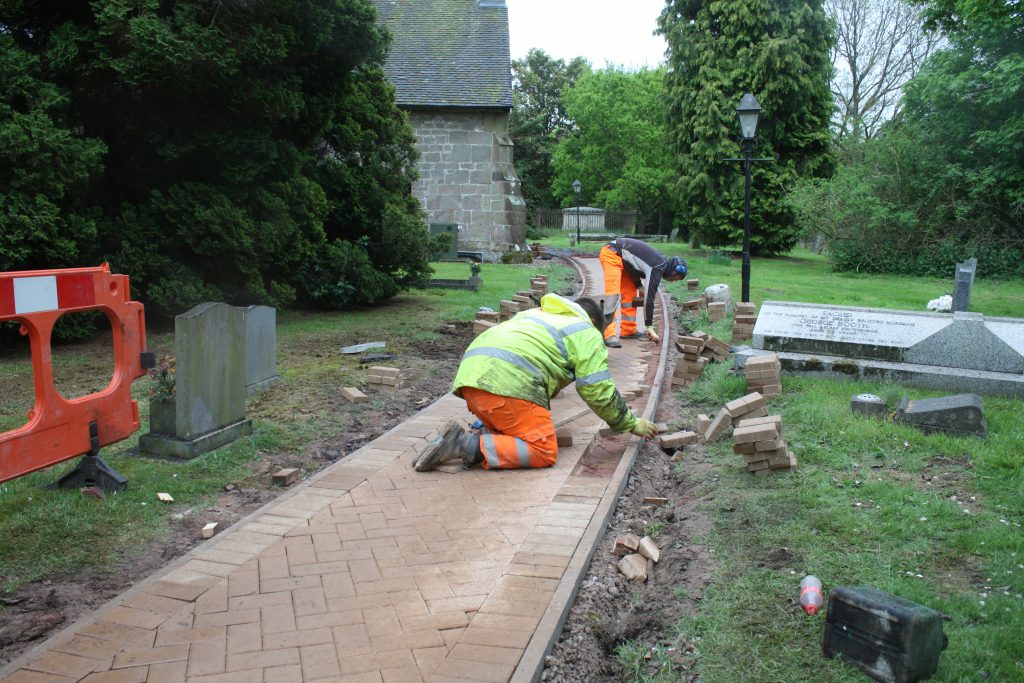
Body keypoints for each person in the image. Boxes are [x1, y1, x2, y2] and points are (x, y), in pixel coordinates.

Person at [412, 294, 659, 472]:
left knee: (515, 419)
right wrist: (629, 423)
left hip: (471, 379)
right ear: (595, 323)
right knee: (543, 450)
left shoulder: (538, 315)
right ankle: (464, 444)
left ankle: (488, 431)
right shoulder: (586, 332)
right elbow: (596, 389)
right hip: (507, 384)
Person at [599, 237, 688, 348]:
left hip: (624, 262)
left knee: (630, 295)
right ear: (674, 271)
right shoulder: (658, 267)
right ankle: (608, 335)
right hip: (611, 254)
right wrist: (649, 327)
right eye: (675, 278)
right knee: (612, 295)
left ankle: (628, 330)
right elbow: (649, 300)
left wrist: (639, 286)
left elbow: (634, 264)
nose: (673, 281)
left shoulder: (661, 263)